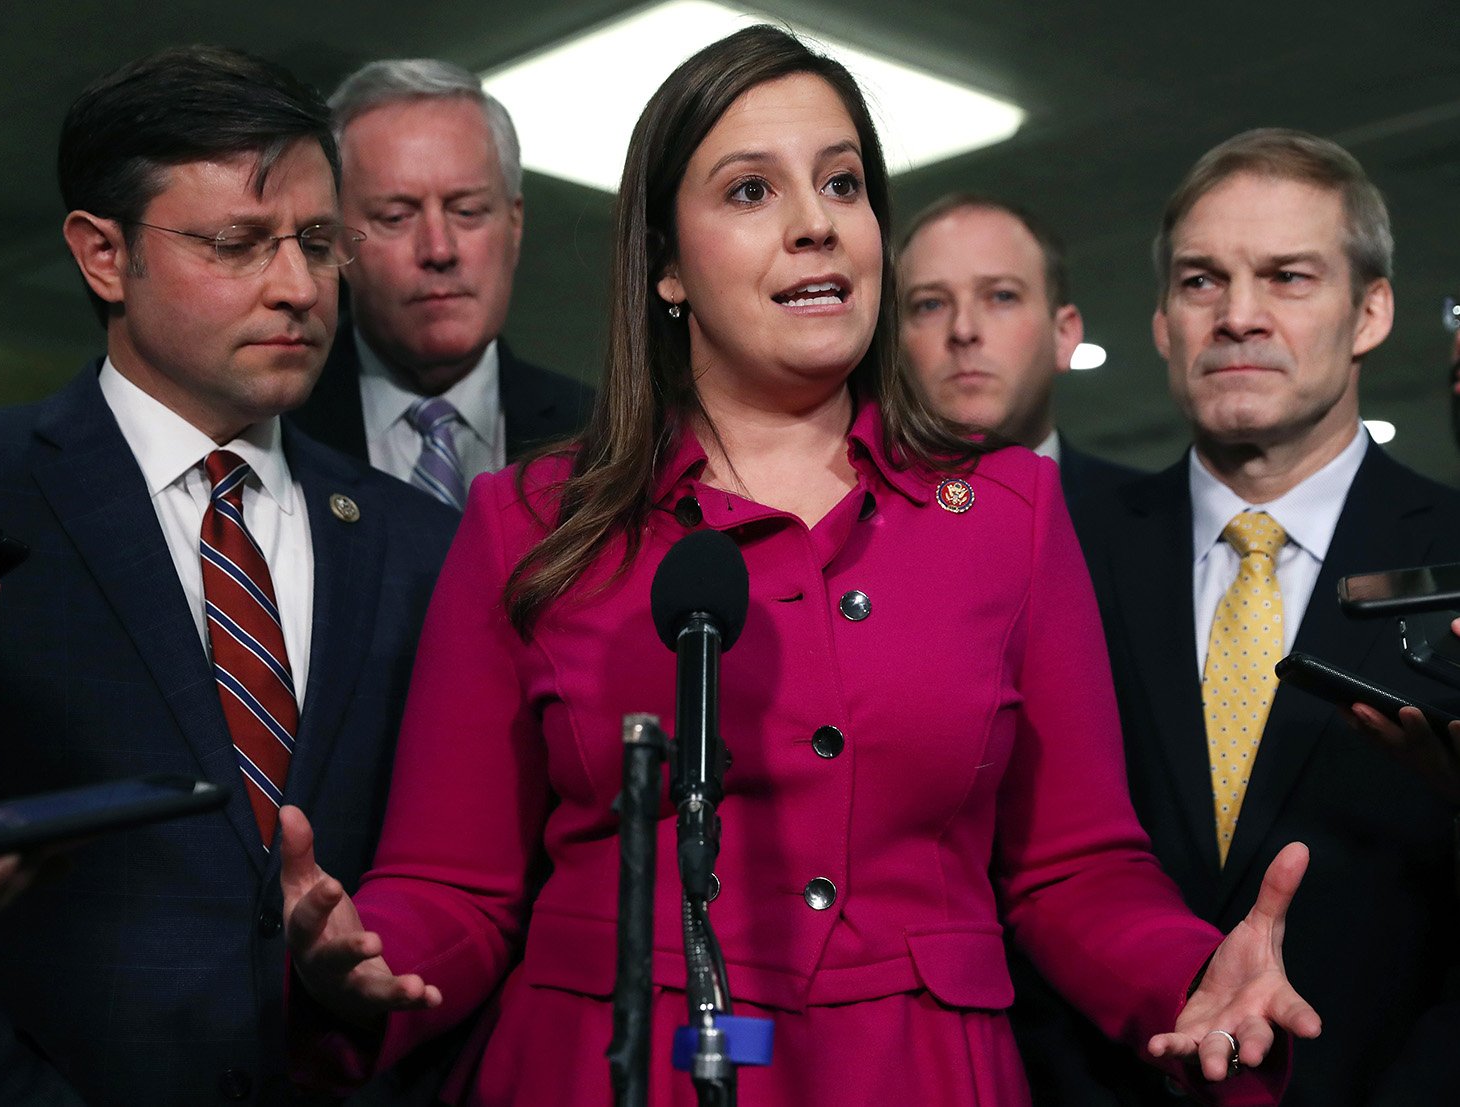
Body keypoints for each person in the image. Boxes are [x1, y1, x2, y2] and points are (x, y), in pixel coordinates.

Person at [281, 28, 1321, 1106]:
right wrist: (369, 957)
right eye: (749, 192)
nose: (816, 222)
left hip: (919, 1077)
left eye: (842, 182)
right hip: (604, 1073)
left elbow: (1075, 870)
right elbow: (456, 885)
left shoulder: (1008, 513)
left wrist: (1190, 973)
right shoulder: (527, 521)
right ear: (667, 266)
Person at [0, 47, 456, 1105]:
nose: (294, 286)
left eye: (319, 243)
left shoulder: (422, 543)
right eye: (237, 243)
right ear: (103, 255)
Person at [1053, 129, 1460, 1106]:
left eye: (1286, 277)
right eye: (1201, 282)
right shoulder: (1059, 553)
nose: (1238, 316)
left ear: (1371, 312)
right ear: (1160, 323)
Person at [289, 59, 593, 508]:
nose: (438, 250)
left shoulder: (605, 437)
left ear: (514, 224)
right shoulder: (273, 425)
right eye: (396, 217)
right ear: (336, 242)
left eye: (467, 211)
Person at [898, 194, 1138, 510]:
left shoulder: (1161, 526)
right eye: (930, 304)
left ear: (1063, 335)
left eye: (1001, 297)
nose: (963, 330)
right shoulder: (852, 532)